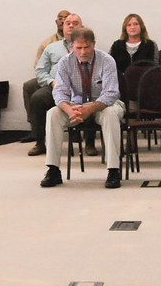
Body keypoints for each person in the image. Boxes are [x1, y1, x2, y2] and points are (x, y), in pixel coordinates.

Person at [40, 27, 126, 189]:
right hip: (77, 106)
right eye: (78, 48)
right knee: (53, 113)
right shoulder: (65, 62)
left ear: (94, 44)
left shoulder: (106, 60)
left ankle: (113, 170)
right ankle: (53, 169)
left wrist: (89, 109)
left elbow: (111, 94)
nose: (83, 51)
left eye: (86, 47)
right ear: (72, 46)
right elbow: (59, 93)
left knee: (110, 114)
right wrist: (69, 109)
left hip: (104, 105)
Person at [28, 13, 84, 156]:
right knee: (37, 98)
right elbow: (40, 71)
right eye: (68, 23)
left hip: (81, 88)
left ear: (81, 27)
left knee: (92, 98)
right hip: (55, 86)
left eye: (75, 23)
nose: (71, 25)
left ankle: (89, 144)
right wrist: (52, 82)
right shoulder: (51, 47)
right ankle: (40, 143)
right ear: (62, 27)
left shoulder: (86, 46)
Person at [22, 10, 70, 143]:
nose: (63, 21)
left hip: (74, 83)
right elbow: (39, 67)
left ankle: (86, 140)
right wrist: (52, 82)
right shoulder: (48, 44)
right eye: (60, 18)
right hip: (51, 80)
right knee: (30, 87)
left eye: (67, 19)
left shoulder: (82, 43)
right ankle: (36, 132)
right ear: (57, 22)